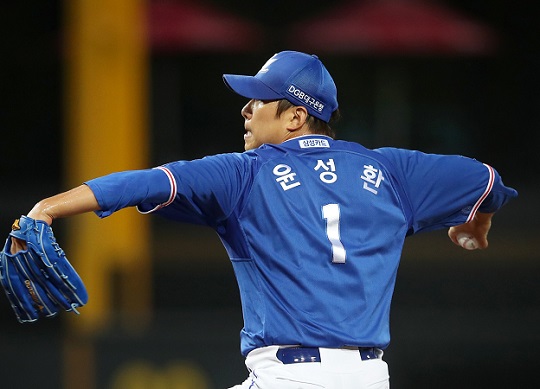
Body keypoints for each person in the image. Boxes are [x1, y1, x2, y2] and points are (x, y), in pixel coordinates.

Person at [8, 51, 517, 388]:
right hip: (368, 378)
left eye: (259, 99)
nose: (247, 109)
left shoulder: (245, 174)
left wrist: (46, 209)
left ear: (295, 116)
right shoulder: (391, 170)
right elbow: (487, 181)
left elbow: (138, 183)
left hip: (288, 378)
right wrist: (476, 224)